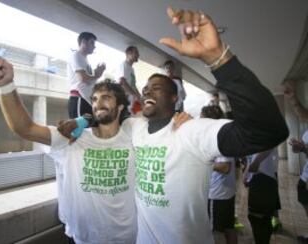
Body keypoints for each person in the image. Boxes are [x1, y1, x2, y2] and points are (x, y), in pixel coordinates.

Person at [59, 7, 288, 244]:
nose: (147, 90)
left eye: (156, 88)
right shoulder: (133, 128)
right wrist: (81, 120)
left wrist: (218, 58)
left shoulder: (191, 131)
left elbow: (268, 131)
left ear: (174, 98)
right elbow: (106, 113)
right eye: (146, 88)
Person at [0, 58, 137, 244]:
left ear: (120, 106)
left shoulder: (134, 137)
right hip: (83, 238)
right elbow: (24, 128)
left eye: (106, 97)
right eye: (95, 98)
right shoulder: (72, 137)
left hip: (128, 237)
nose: (98, 103)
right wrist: (6, 86)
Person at [201, 105, 238, 244]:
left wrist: (202, 162)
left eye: (202, 118)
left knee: (214, 233)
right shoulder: (222, 134)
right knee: (229, 227)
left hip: (217, 194)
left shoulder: (218, 137)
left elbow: (224, 167)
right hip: (226, 192)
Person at [67, 32, 106, 118]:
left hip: (86, 99)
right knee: (81, 129)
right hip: (79, 98)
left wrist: (97, 74)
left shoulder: (85, 60)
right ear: (84, 41)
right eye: (92, 42)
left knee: (89, 130)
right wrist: (97, 75)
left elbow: (88, 81)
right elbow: (82, 78)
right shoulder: (76, 55)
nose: (94, 46)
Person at [289, 131, 308, 242]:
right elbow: (296, 150)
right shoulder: (306, 133)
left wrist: (302, 148)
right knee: (303, 198)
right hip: (306, 174)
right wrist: (296, 147)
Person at [115, 46, 141, 115]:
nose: (138, 55)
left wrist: (139, 95)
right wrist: (135, 95)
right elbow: (122, 82)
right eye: (136, 52)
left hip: (130, 104)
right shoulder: (124, 64)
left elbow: (133, 85)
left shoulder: (132, 69)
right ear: (128, 53)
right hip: (123, 101)